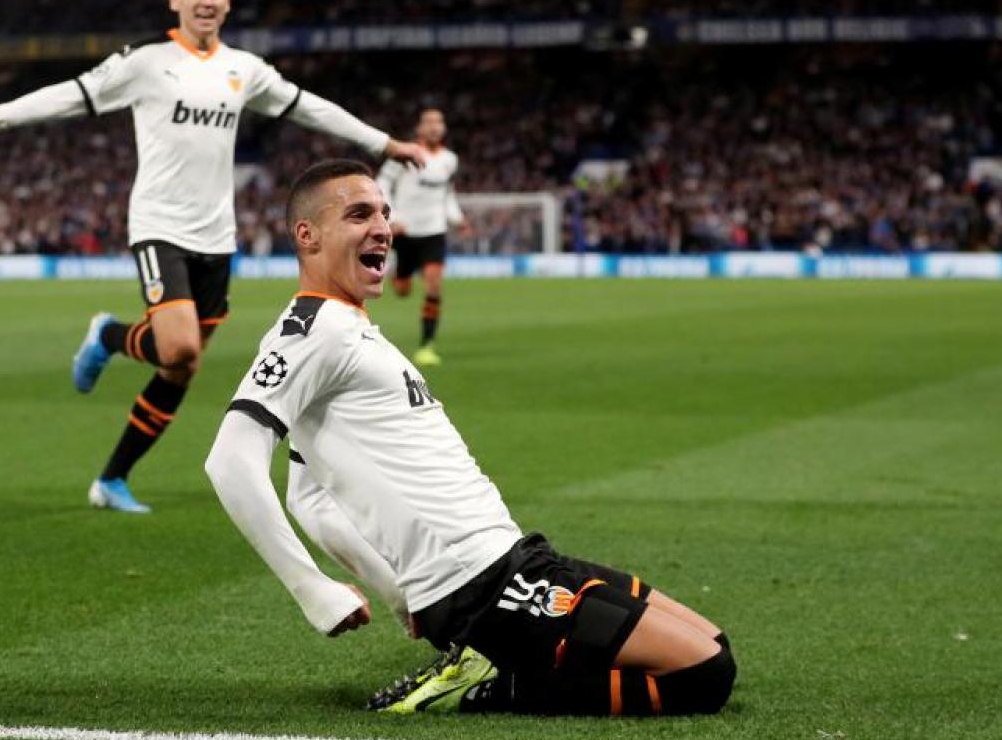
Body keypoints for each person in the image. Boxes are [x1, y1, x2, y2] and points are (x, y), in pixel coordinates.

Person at [204, 159, 736, 717]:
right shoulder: (312, 333)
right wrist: (310, 587)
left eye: (384, 213)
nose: (382, 227)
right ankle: (487, 684)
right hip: (480, 589)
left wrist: (394, 591)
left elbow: (307, 495)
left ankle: (504, 660)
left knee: (714, 644)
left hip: (512, 560)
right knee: (704, 675)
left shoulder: (351, 328)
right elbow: (230, 461)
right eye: (359, 214)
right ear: (306, 236)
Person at [0, 0, 426, 513]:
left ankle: (111, 478)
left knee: (182, 365)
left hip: (217, 237)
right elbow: (73, 95)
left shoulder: (243, 70)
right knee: (178, 346)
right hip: (159, 228)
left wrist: (383, 143)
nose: (206, 0)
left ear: (227, 4)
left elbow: (311, 107)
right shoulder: (146, 63)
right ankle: (108, 337)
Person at [376, 108, 468, 367]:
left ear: (444, 128)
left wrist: (457, 218)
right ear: (419, 129)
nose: (434, 126)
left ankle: (427, 345)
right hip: (405, 231)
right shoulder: (403, 154)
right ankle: (399, 275)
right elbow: (381, 183)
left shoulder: (450, 159)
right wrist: (392, 218)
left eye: (439, 122)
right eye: (428, 122)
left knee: (434, 283)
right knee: (403, 290)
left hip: (434, 231)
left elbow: (447, 194)